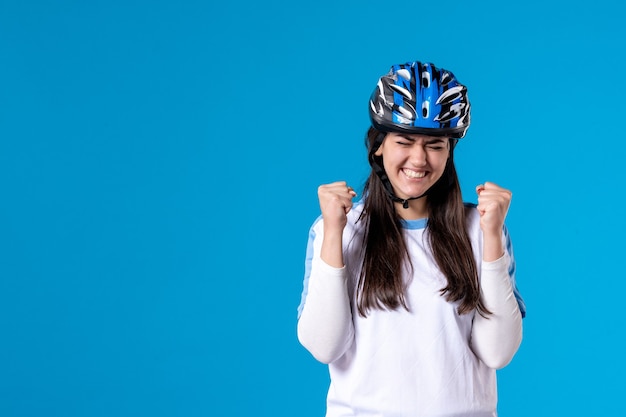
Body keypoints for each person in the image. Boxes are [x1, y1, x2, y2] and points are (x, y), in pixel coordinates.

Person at [296, 60, 526, 417]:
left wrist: (492, 236)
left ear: (449, 154)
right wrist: (333, 233)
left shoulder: (479, 228)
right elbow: (325, 346)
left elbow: (497, 352)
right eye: (404, 141)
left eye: (435, 145)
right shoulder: (338, 228)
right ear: (378, 147)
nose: (419, 159)